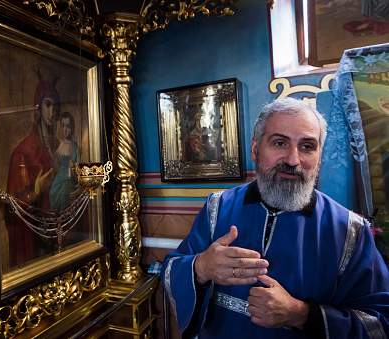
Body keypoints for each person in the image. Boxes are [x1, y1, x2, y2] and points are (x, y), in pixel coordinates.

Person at [161, 97, 389, 338]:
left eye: (307, 146)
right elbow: (172, 269)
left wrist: (300, 314)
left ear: (319, 156)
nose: (293, 160)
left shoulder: (349, 230)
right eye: (280, 143)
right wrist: (202, 266)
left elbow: (379, 323)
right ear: (255, 149)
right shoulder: (217, 207)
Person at [5, 78, 60, 267]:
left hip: (60, 233)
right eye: (48, 105)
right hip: (37, 238)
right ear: (38, 107)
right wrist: (36, 191)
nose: (52, 112)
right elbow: (13, 208)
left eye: (56, 106)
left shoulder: (60, 149)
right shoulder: (23, 152)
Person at [49, 111, 81, 213]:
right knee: (52, 192)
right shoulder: (61, 145)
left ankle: (64, 213)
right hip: (61, 174)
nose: (65, 130)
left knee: (65, 187)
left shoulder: (75, 146)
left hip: (70, 175)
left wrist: (74, 165)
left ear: (72, 128)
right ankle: (57, 215)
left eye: (68, 126)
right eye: (63, 126)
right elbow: (55, 162)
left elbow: (79, 165)